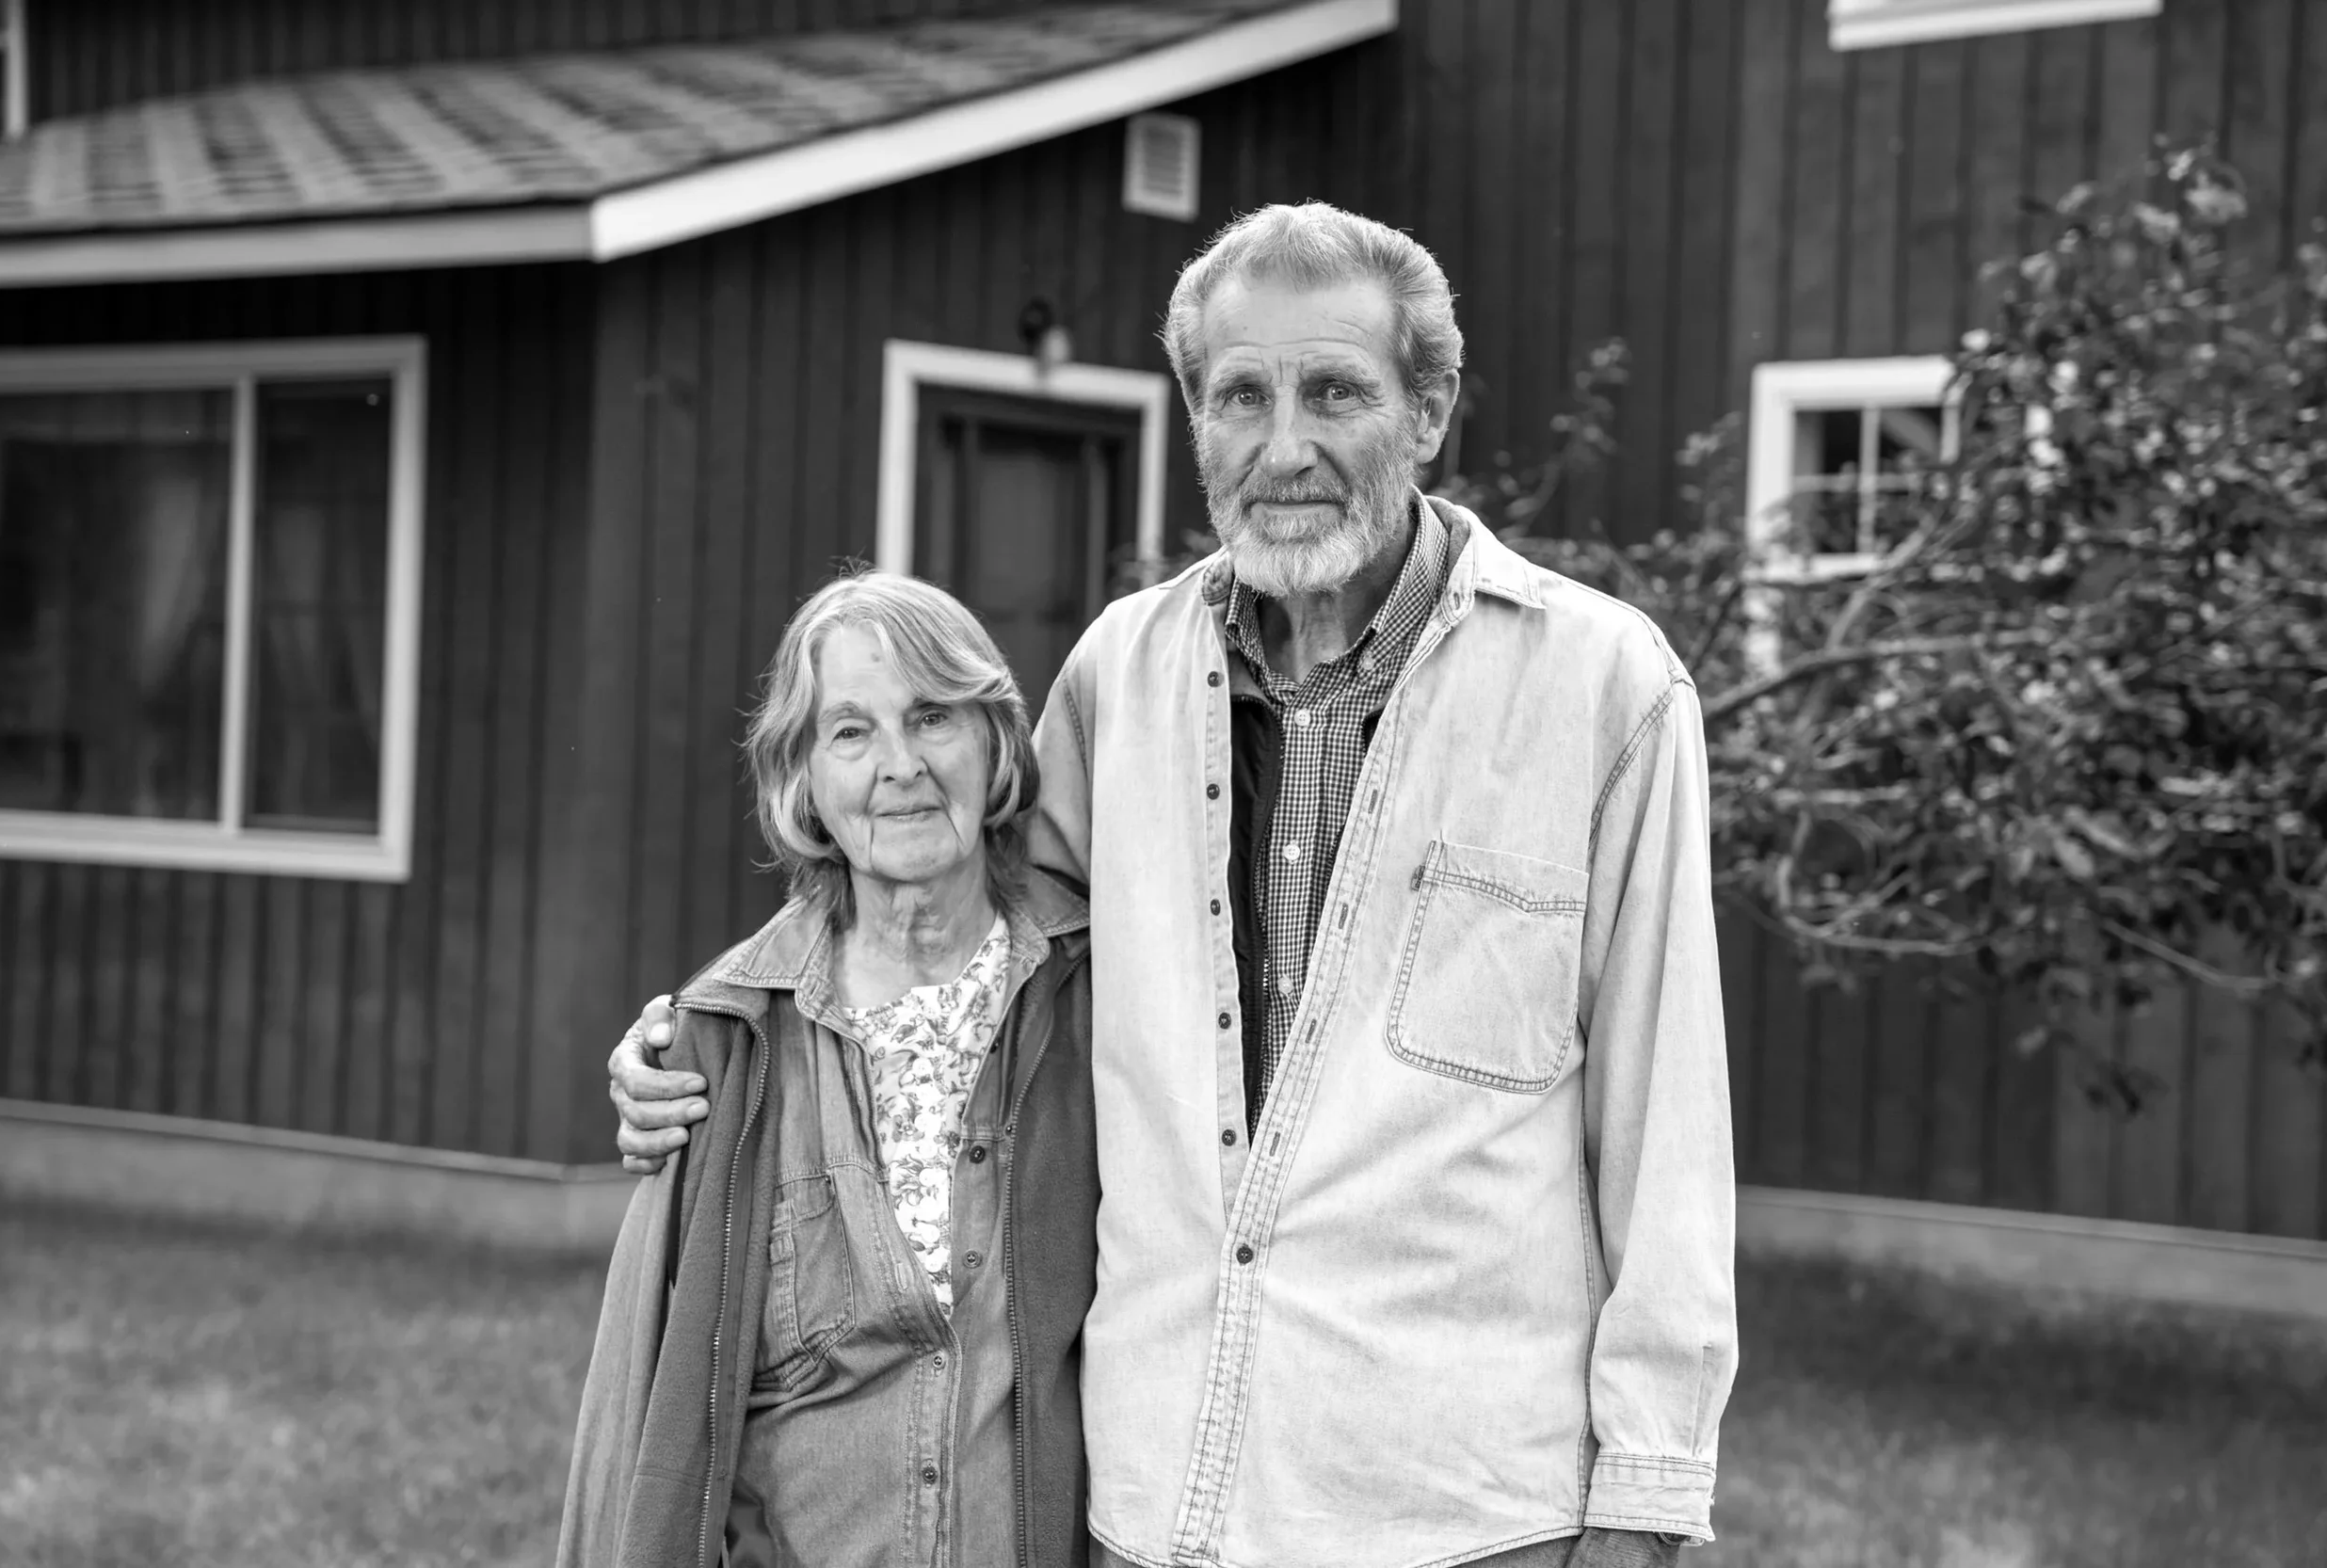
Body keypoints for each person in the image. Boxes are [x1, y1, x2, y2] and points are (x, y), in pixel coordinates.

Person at [612, 202, 1736, 1568]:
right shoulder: (1119, 679)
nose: (1285, 447)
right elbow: (948, 920)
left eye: (1336, 392)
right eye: (1239, 398)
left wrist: (1646, 1502)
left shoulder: (1601, 688)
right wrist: (713, 1032)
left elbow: (1668, 1125)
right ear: (1196, 421)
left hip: (1464, 1515)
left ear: (1430, 408)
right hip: (1157, 1507)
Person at [558, 573, 1099, 1568]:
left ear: (995, 742)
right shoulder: (725, 1043)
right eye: (851, 732)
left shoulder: (1092, 1002)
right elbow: (647, 1405)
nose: (900, 766)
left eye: (933, 716)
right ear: (802, 778)